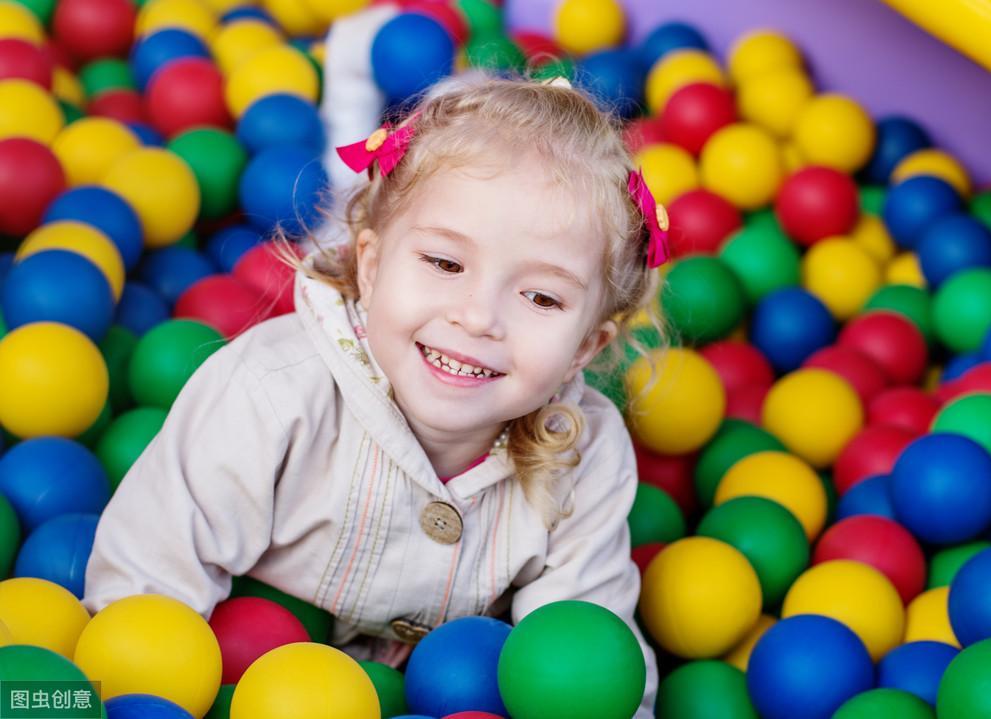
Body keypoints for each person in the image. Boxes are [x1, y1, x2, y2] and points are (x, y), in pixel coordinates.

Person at [83, 60, 672, 719]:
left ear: (585, 348)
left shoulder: (585, 457)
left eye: (540, 295)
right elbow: (144, 594)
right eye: (445, 262)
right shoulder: (270, 392)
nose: (478, 316)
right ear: (370, 264)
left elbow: (585, 661)